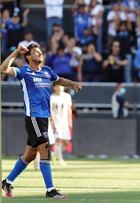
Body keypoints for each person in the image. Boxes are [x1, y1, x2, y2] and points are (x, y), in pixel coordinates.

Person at [1, 42, 81, 199]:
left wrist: (72, 84)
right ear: (28, 57)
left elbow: (57, 80)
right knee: (45, 149)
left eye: (40, 52)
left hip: (44, 117)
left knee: (30, 155)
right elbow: (2, 69)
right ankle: (50, 190)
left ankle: (7, 182)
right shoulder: (24, 72)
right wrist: (16, 51)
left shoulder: (47, 71)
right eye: (36, 52)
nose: (39, 54)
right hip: (34, 117)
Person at [50, 85, 73, 166]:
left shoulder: (67, 96)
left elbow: (69, 109)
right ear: (54, 87)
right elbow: (50, 110)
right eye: (57, 86)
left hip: (65, 122)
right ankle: (60, 159)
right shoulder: (52, 97)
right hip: (56, 121)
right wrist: (52, 122)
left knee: (66, 142)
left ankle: (54, 154)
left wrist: (70, 122)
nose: (60, 87)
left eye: (61, 86)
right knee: (58, 140)